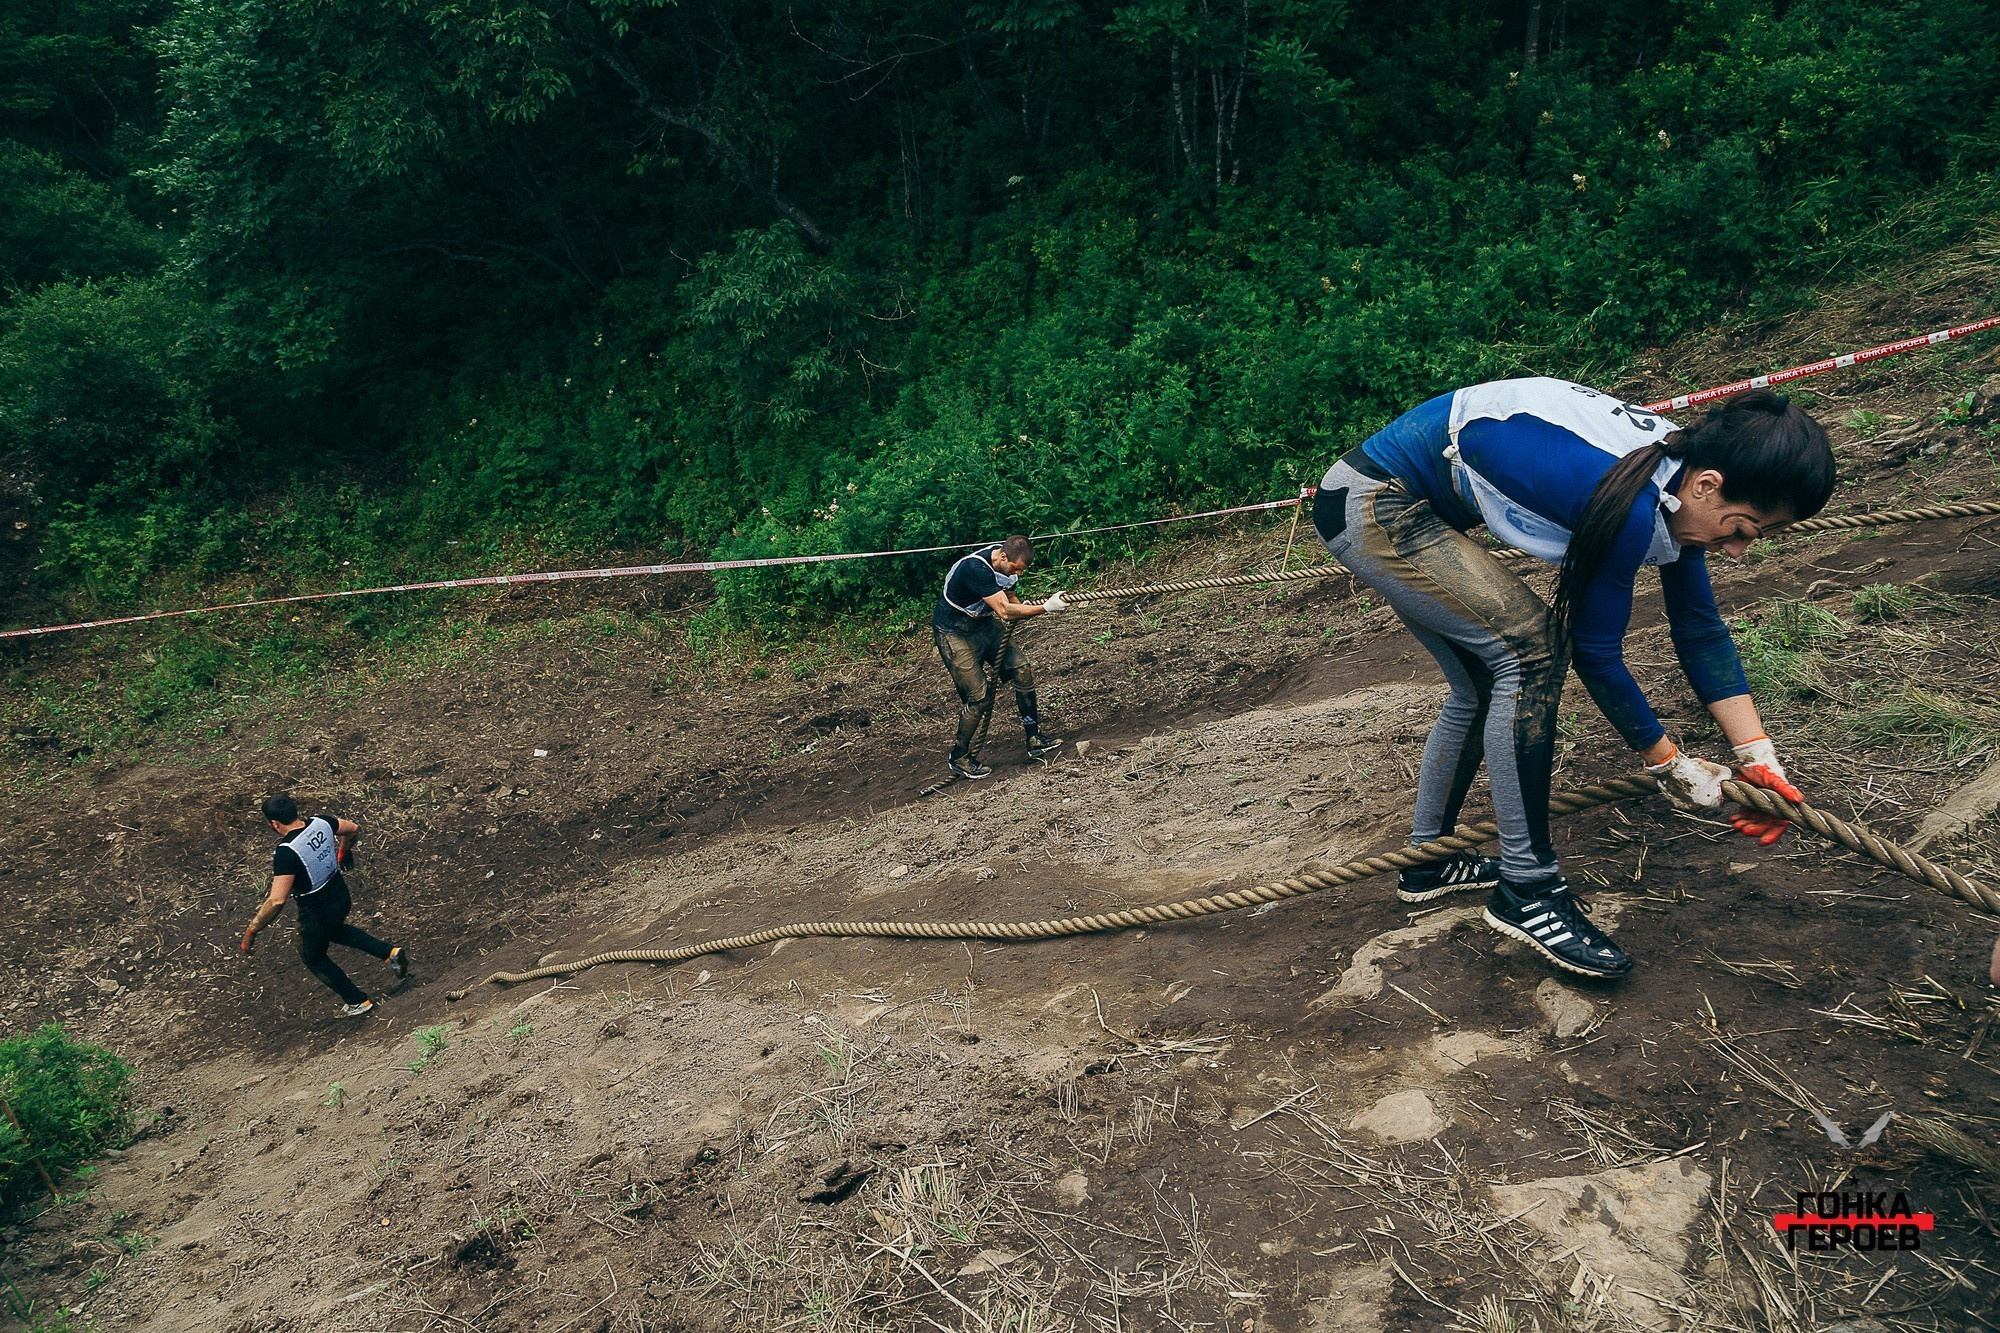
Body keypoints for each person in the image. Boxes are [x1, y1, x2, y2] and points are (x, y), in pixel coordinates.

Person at [1314, 379, 1833, 980]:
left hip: (1389, 498)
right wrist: (1669, 763)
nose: (1738, 551)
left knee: (1487, 679)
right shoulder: (1631, 500)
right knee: (1530, 650)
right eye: (1741, 530)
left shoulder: (1676, 485)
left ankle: (1429, 861)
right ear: (1708, 484)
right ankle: (1528, 890)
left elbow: (1699, 629)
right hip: (1374, 500)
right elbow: (1595, 651)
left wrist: (1757, 754)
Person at [239, 795, 407, 1016]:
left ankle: (356, 1001)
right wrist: (343, 852)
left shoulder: (286, 852)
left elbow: (277, 900)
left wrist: (253, 929)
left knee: (313, 956)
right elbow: (353, 829)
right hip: (340, 895)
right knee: (335, 931)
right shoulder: (321, 822)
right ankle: (389, 953)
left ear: (274, 823)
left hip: (316, 912)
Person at [932, 534, 1068, 779]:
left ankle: (1034, 738)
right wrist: (1045, 608)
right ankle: (959, 757)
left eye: (1022, 571)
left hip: (983, 625)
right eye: (1016, 569)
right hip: (954, 632)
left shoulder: (1008, 562)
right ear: (1003, 557)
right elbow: (1005, 611)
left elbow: (1010, 598)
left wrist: (1023, 606)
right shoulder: (975, 568)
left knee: (1022, 668)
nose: (1018, 574)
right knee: (979, 696)